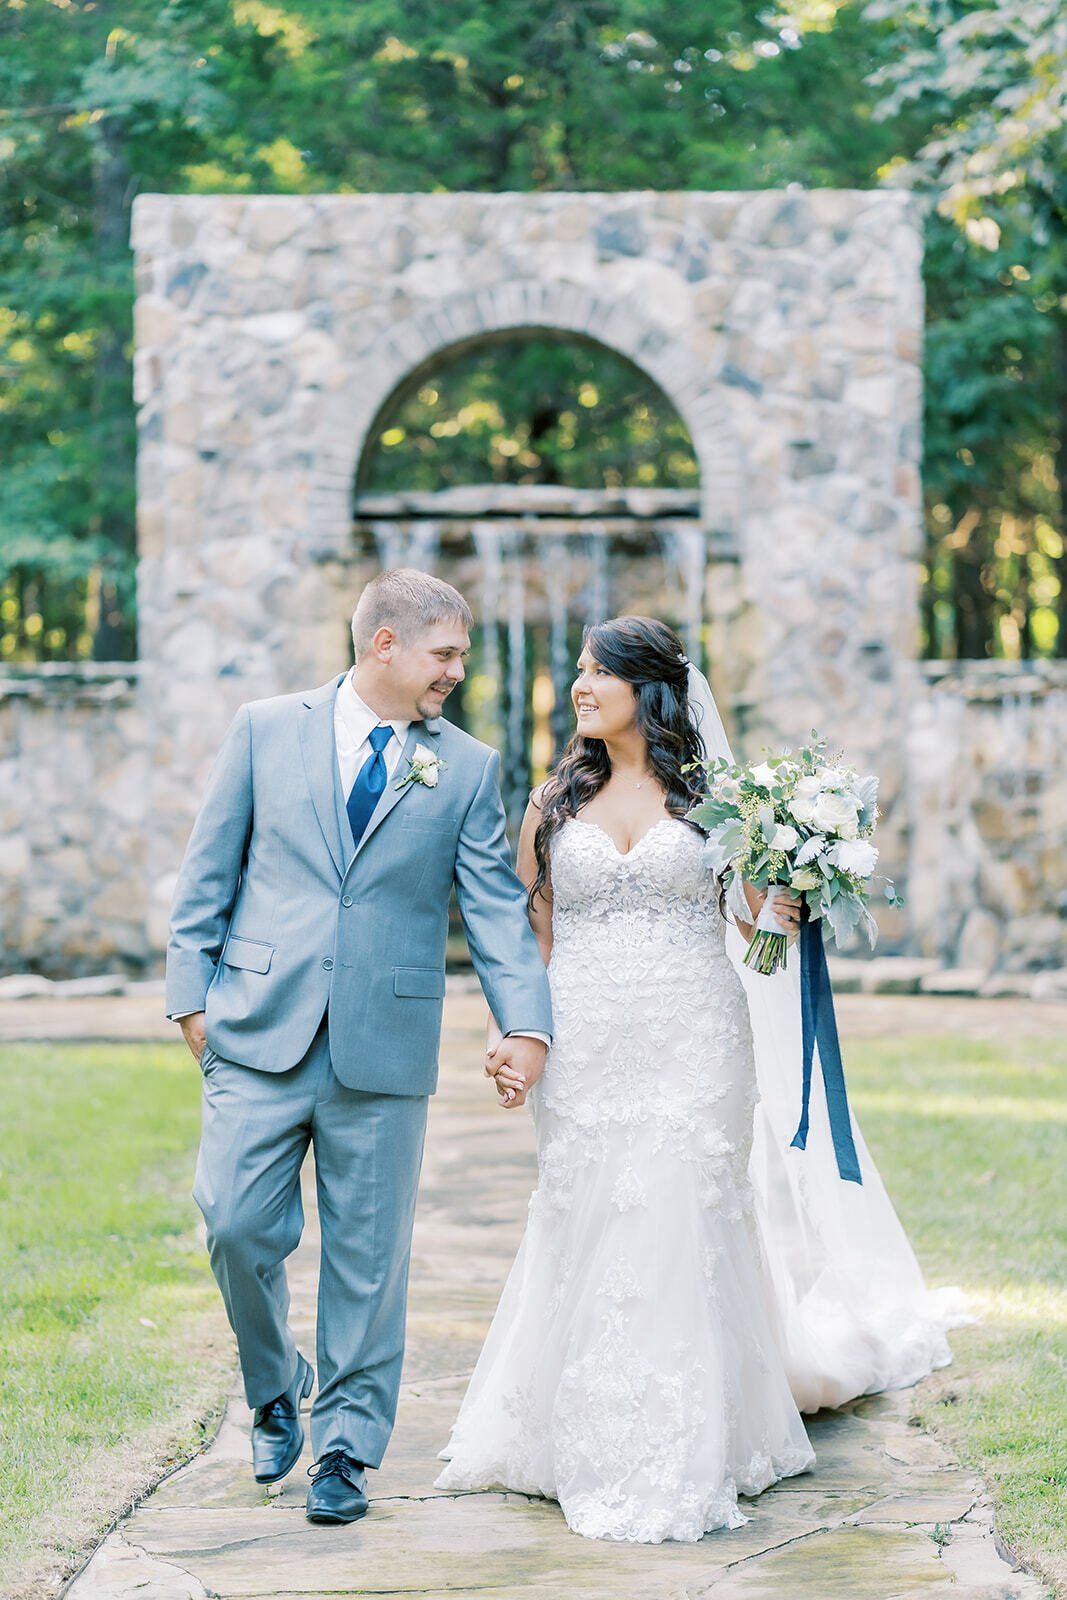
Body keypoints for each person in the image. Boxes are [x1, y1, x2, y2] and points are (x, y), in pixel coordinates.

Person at [436, 614, 964, 1544]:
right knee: (589, 1208)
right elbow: (529, 933)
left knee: (682, 1201)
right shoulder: (553, 802)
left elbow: (756, 933)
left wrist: (787, 898)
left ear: (653, 689)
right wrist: (514, 1036)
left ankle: (688, 1436)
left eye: (602, 672)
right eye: (581, 670)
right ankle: (575, 1426)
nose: (581, 685)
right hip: (585, 1037)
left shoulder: (718, 801)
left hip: (697, 1031)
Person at [165, 568, 553, 1525]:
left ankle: (345, 1447)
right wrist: (191, 1001)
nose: (456, 672)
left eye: (459, 655)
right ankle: (272, 1382)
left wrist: (526, 1023)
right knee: (232, 1223)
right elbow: (209, 867)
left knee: (370, 1259)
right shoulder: (264, 727)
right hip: (254, 1027)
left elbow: (496, 912)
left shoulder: (463, 766)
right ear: (384, 643)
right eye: (444, 653)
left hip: (385, 1038)